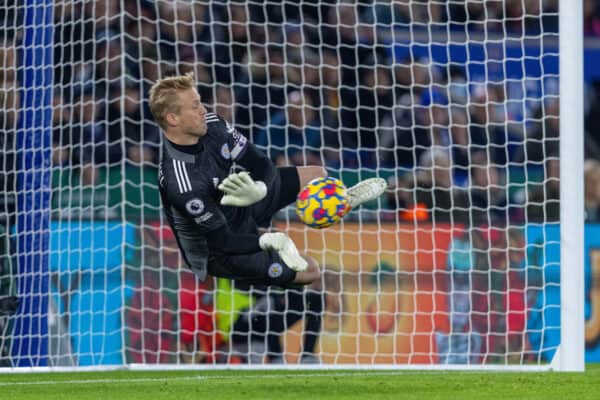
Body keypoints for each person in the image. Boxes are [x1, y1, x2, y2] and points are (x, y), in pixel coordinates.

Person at [148, 72, 386, 287]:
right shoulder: (180, 181)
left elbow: (260, 163)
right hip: (220, 251)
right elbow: (222, 241)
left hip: (244, 200)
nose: (203, 109)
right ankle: (274, 247)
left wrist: (260, 188)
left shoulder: (212, 124)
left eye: (199, 101)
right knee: (310, 271)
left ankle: (339, 201)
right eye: (194, 106)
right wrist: (268, 240)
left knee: (317, 175)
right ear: (173, 119)